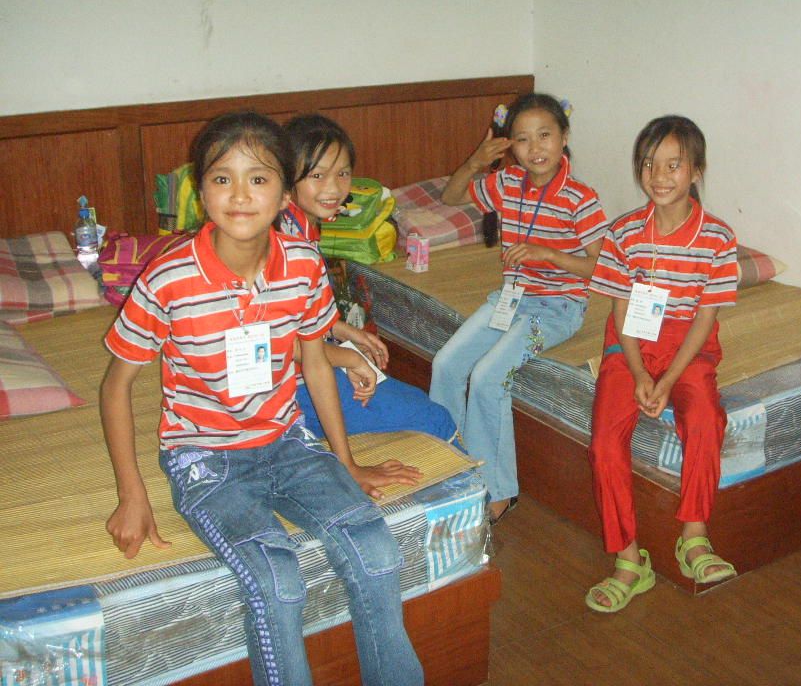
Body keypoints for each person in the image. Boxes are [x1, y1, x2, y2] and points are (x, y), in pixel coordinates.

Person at [100, 111, 425, 686]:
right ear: (201, 191)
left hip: (287, 442)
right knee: (278, 581)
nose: (240, 195)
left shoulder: (302, 265)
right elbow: (116, 385)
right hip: (205, 458)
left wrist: (346, 461)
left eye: (259, 179)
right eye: (222, 179)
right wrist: (132, 494)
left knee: (377, 552)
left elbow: (315, 363)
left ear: (283, 193)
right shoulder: (167, 279)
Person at [431, 93, 609, 524]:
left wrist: (550, 255)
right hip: (510, 297)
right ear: (510, 145)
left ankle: (498, 490)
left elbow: (606, 267)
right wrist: (475, 162)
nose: (535, 148)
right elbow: (451, 197)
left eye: (545, 135)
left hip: (558, 306)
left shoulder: (580, 198)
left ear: (564, 137)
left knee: (488, 376)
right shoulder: (507, 182)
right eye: (523, 139)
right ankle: (452, 470)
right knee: (446, 364)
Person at [585, 115, 739, 613]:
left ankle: (694, 535)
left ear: (696, 171)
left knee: (706, 419)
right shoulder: (624, 232)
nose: (659, 175)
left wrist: (669, 379)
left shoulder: (718, 238)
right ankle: (629, 560)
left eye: (674, 165)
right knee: (605, 441)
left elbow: (705, 319)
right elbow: (621, 311)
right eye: (650, 164)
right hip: (630, 345)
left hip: (688, 345)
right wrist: (638, 374)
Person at [280, 113, 458, 444]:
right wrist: (347, 357)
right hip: (289, 390)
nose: (333, 188)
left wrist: (345, 332)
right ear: (288, 176)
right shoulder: (284, 243)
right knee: (434, 419)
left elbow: (304, 317)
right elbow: (281, 338)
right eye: (317, 175)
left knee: (414, 401)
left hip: (308, 368)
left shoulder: (298, 226)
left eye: (343, 173)